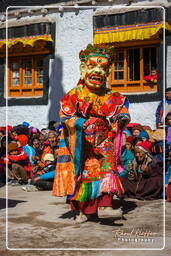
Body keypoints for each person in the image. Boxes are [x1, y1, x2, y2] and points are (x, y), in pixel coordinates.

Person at [52, 44, 131, 223]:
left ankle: (105, 205)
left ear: (108, 71)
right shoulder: (74, 95)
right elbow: (65, 115)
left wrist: (121, 118)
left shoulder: (111, 96)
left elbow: (121, 112)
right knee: (84, 176)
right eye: (92, 66)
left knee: (107, 169)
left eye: (103, 68)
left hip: (104, 140)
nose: (98, 71)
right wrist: (80, 123)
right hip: (82, 143)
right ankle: (84, 211)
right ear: (83, 69)